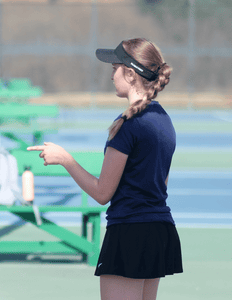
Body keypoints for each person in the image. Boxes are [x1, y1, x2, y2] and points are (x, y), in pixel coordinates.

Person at [28, 38, 183, 300]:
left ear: (131, 74)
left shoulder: (128, 125)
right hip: (159, 231)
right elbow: (160, 185)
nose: (111, 75)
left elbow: (102, 193)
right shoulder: (165, 122)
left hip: (130, 234)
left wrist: (65, 159)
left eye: (115, 68)